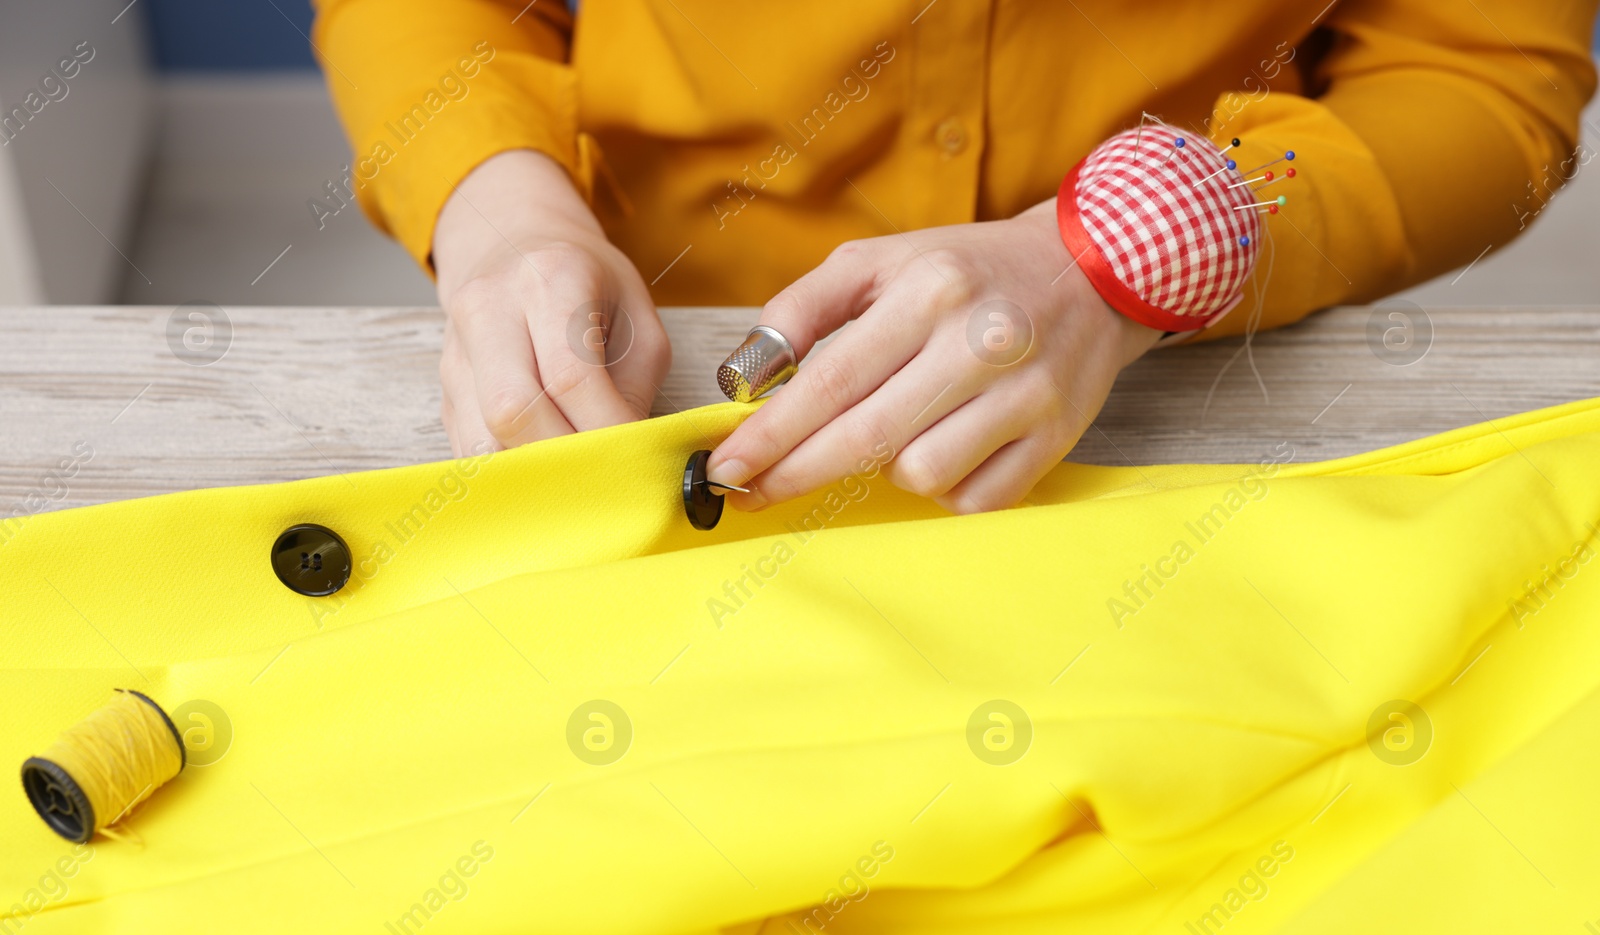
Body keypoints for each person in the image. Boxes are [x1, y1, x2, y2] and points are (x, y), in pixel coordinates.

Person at [312, 0, 1597, 512]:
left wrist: (1136, 242)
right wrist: (495, 205)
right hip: (662, 348)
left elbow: (1476, 76)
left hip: (1169, 386)